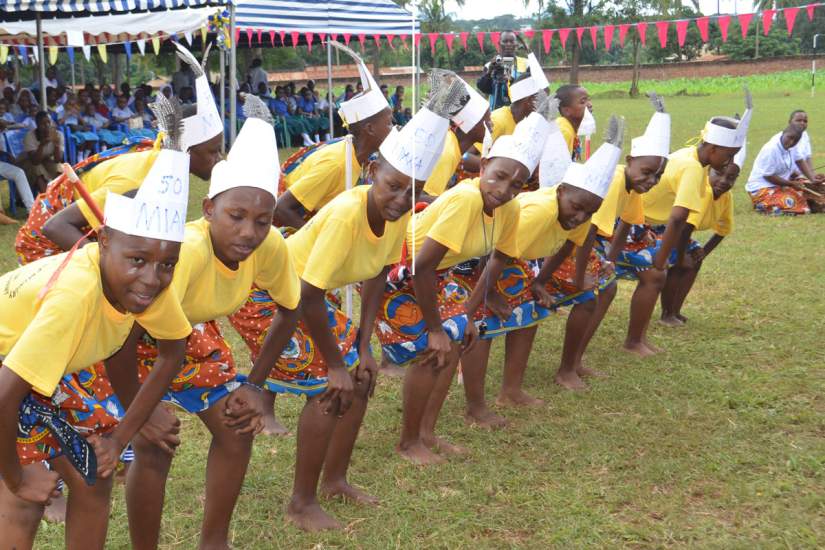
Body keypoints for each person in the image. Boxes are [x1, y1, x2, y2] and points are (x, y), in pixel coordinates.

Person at [241, 74, 464, 532]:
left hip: (305, 300)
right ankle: (301, 502)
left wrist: (364, 345)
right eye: (395, 186)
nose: (403, 199)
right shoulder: (348, 211)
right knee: (331, 385)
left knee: (361, 377)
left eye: (413, 191)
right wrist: (335, 362)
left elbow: (379, 274)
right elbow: (307, 295)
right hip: (268, 297)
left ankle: (335, 480)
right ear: (371, 174)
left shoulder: (396, 214)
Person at [104, 96, 300, 550]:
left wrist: (255, 384)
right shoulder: (184, 254)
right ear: (209, 208)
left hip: (182, 336)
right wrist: (141, 406)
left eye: (262, 220)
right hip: (120, 340)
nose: (249, 232)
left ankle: (215, 543)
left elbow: (291, 306)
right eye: (236, 216)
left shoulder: (269, 247)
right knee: (153, 442)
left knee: (236, 427)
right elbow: (122, 331)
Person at [0, 112, 194, 549]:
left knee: (93, 473)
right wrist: (16, 476)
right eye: (138, 260)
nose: (152, 278)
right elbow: (4, 395)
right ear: (102, 241)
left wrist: (122, 435)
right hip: (7, 368)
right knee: (23, 500)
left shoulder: (152, 286)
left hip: (46, 369)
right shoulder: (75, 298)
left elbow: (172, 349)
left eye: (168, 264)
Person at [375, 109, 551, 464]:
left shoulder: (510, 208)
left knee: (455, 341)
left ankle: (426, 433)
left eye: (516, 184)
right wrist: (438, 327)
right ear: (483, 166)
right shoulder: (468, 198)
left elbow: (498, 259)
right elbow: (421, 265)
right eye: (499, 177)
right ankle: (408, 442)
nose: (504, 190)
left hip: (438, 274)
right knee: (433, 349)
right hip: (397, 268)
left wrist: (467, 312)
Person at [460, 114, 623, 430]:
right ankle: (476, 407)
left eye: (589, 212)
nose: (580, 217)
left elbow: (566, 249)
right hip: (478, 259)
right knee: (483, 324)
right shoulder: (538, 212)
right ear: (561, 191)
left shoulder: (582, 214)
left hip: (508, 260)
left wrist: (539, 283)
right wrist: (488, 294)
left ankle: (511, 390)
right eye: (577, 207)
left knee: (528, 313)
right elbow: (490, 253)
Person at [21, 42, 223, 266]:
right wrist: (107, 262)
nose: (220, 158)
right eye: (213, 152)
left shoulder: (164, 163)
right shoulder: (136, 181)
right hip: (45, 245)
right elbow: (56, 227)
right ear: (187, 151)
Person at [619, 93, 750, 356]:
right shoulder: (692, 166)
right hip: (635, 225)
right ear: (713, 148)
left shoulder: (695, 158)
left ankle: (658, 322)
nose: (730, 162)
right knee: (655, 275)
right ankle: (634, 341)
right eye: (729, 155)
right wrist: (662, 260)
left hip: (649, 224)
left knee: (682, 259)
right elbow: (678, 218)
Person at [273, 40, 393, 230]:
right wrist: (317, 240)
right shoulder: (335, 163)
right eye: (389, 123)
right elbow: (281, 208)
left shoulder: (363, 158)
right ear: (369, 129)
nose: (393, 128)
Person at [660, 144, 747, 326]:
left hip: (681, 233)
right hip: (664, 229)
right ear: (708, 173)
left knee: (695, 260)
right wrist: (682, 256)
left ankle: (676, 310)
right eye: (719, 174)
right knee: (678, 264)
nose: (724, 181)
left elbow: (722, 231)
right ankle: (667, 313)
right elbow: (684, 228)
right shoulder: (704, 192)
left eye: (730, 178)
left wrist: (703, 252)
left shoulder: (726, 197)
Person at [746, 124, 823, 214]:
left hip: (783, 184)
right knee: (790, 201)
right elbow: (768, 176)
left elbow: (800, 161)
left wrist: (812, 178)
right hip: (762, 188)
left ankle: (808, 201)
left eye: (795, 141)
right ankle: (762, 204)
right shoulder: (771, 149)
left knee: (810, 186)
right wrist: (790, 184)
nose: (791, 142)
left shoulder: (793, 144)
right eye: (789, 138)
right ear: (783, 133)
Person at [476, 30, 525, 110]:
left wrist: (510, 80)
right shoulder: (489, 65)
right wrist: (489, 73)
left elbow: (529, 91)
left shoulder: (526, 64)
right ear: (499, 44)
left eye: (511, 41)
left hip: (519, 115)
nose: (508, 44)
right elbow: (483, 90)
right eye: (505, 41)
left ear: (516, 44)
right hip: (496, 116)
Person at [22, 111, 64, 193]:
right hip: (28, 163)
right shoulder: (30, 136)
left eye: (49, 122)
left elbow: (58, 160)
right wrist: (42, 145)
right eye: (43, 124)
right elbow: (35, 161)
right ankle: (47, 199)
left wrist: (56, 145)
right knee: (37, 168)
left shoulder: (58, 135)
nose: (47, 126)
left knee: (59, 167)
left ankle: (61, 196)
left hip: (45, 160)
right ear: (37, 125)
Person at [556, 84, 594, 159]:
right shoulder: (563, 131)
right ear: (567, 110)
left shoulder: (570, 128)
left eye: (589, 99)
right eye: (583, 102)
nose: (590, 104)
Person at [787, 110, 823, 183]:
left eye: (805, 121)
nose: (802, 123)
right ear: (790, 122)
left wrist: (812, 175)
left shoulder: (804, 135)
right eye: (798, 120)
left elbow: (807, 157)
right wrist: (807, 177)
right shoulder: (787, 138)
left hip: (800, 177)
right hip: (786, 179)